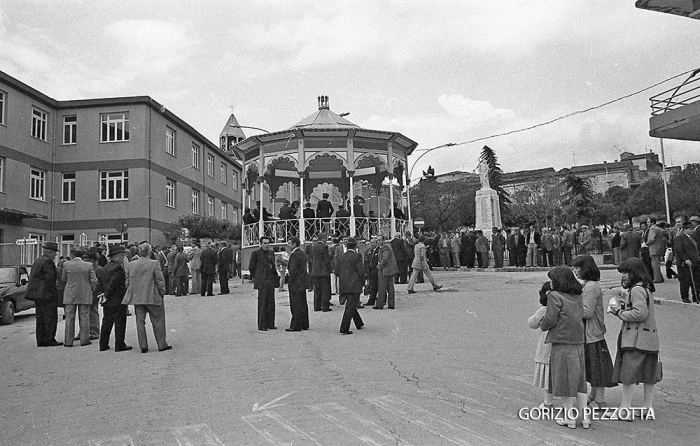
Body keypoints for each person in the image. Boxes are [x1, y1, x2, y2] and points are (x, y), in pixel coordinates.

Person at [610, 258, 661, 419]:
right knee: (649, 374)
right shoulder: (646, 288)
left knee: (628, 375)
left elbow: (640, 313)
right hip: (649, 338)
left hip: (635, 338)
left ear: (634, 273)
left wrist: (619, 312)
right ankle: (647, 407)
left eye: (626, 272)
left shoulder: (637, 290)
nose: (623, 276)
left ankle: (625, 408)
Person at [540, 267, 589, 429]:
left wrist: (543, 325)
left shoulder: (554, 296)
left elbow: (550, 319)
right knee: (580, 380)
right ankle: (585, 417)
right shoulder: (577, 296)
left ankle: (569, 418)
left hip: (561, 342)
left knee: (563, 381)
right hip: (578, 341)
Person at [571, 255, 615, 408]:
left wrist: (571, 308)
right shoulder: (590, 284)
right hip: (593, 332)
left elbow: (587, 311)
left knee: (596, 369)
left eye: (577, 269)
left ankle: (600, 399)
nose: (575, 272)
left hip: (591, 332)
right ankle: (594, 395)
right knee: (595, 367)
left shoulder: (590, 287)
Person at [122, 243, 171, 353]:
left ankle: (143, 345)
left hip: (138, 296)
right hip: (152, 295)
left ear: (139, 251)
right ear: (149, 251)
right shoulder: (154, 263)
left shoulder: (131, 264)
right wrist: (162, 292)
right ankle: (161, 344)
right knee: (158, 321)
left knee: (140, 322)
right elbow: (159, 280)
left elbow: (128, 280)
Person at [25, 242, 62, 347]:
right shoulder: (48, 262)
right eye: (55, 253)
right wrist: (55, 292)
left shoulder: (38, 260)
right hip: (46, 294)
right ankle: (49, 339)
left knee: (40, 317)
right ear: (50, 252)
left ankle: (40, 340)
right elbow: (50, 279)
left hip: (37, 294)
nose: (55, 255)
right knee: (50, 317)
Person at [97, 245, 132, 352]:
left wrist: (102, 296)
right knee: (120, 323)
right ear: (116, 256)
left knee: (106, 322)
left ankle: (103, 344)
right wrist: (107, 294)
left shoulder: (104, 268)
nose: (123, 257)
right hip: (118, 299)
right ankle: (119, 344)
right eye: (122, 255)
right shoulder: (118, 268)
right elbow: (114, 283)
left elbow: (99, 284)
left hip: (107, 301)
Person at [62, 248, 98, 347]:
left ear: (72, 254)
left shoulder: (66, 265)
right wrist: (91, 289)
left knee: (69, 317)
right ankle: (84, 339)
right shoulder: (88, 265)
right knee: (84, 316)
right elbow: (94, 280)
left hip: (70, 293)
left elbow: (63, 278)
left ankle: (68, 341)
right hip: (85, 293)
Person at [528, 281, 553, 410]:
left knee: (548, 375)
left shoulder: (545, 309)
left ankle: (548, 402)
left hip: (547, 345)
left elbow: (532, 323)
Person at [248, 236, 279, 331]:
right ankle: (262, 324)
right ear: (260, 244)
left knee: (271, 303)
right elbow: (251, 267)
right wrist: (257, 277)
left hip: (270, 280)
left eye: (267, 243)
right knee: (262, 303)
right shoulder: (256, 253)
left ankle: (271, 323)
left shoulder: (271, 253)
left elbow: (273, 266)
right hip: (262, 281)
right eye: (264, 243)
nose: (266, 245)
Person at [336, 237, 365, 335]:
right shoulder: (357, 256)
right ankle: (344, 328)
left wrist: (343, 278)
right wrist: (363, 282)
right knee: (350, 306)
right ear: (355, 246)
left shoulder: (342, 256)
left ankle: (358, 322)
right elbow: (361, 271)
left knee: (351, 304)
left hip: (344, 284)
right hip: (354, 284)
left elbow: (336, 270)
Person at [673, 220, 700, 303]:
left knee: (696, 280)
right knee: (685, 281)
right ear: (685, 229)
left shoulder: (693, 238)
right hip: (684, 264)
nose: (692, 231)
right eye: (690, 229)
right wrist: (685, 259)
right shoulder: (680, 238)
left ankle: (696, 296)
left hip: (695, 262)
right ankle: (684, 297)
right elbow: (679, 250)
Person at [286, 237, 309, 332]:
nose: (288, 245)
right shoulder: (302, 253)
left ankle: (295, 325)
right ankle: (304, 323)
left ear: (294, 244)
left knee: (295, 304)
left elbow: (293, 269)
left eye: (289, 243)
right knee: (303, 303)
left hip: (295, 283)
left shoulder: (294, 255)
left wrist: (290, 280)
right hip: (302, 282)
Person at [310, 233, 333, 312]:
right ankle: (325, 306)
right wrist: (330, 269)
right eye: (325, 238)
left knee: (317, 290)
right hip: (323, 271)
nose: (326, 239)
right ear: (322, 238)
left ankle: (317, 306)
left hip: (315, 271)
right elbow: (326, 260)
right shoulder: (324, 247)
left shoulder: (314, 246)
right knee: (325, 289)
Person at [375, 235, 399, 309]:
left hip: (385, 270)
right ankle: (391, 304)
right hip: (389, 270)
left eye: (379, 240)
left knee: (382, 287)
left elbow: (385, 258)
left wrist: (380, 265)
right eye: (377, 240)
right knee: (390, 287)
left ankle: (379, 304)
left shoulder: (385, 247)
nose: (377, 242)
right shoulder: (385, 246)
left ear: (383, 240)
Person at [645, 217, 666, 283]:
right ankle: (660, 277)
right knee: (657, 263)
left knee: (654, 264)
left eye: (648, 222)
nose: (647, 223)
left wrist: (646, 244)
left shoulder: (652, 229)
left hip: (654, 248)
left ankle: (657, 278)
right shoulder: (659, 229)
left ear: (652, 222)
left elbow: (651, 239)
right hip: (659, 247)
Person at [363, 236, 381, 307]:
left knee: (379, 286)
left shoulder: (379, 250)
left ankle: (382, 299)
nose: (372, 244)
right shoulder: (370, 251)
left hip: (377, 271)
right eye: (371, 243)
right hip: (371, 272)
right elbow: (367, 262)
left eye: (373, 242)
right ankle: (371, 300)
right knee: (372, 286)